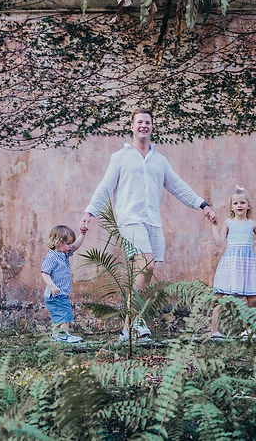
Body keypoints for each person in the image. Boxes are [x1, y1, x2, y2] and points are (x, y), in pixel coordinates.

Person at [81, 107, 218, 342]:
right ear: (132, 127)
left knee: (142, 272)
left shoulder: (159, 161)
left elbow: (178, 186)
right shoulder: (120, 158)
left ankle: (128, 327)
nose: (144, 126)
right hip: (129, 220)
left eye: (148, 122)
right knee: (148, 265)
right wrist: (89, 212)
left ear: (152, 127)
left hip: (152, 222)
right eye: (140, 122)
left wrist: (202, 205)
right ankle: (137, 319)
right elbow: (105, 187)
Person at [210, 185, 256, 339]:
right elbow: (219, 242)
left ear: (248, 205)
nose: (239, 205)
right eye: (235, 203)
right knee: (221, 296)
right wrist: (212, 225)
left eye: (242, 202)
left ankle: (248, 330)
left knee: (252, 298)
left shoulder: (251, 224)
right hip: (231, 263)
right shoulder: (228, 223)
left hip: (248, 264)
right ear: (231, 207)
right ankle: (214, 331)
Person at [41, 223, 88, 344]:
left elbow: (76, 246)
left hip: (59, 294)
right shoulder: (51, 258)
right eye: (68, 243)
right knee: (65, 315)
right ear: (57, 242)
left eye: (70, 243)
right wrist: (52, 286)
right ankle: (64, 336)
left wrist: (82, 234)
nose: (70, 246)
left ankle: (56, 336)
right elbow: (44, 273)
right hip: (56, 294)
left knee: (58, 317)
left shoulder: (64, 254)